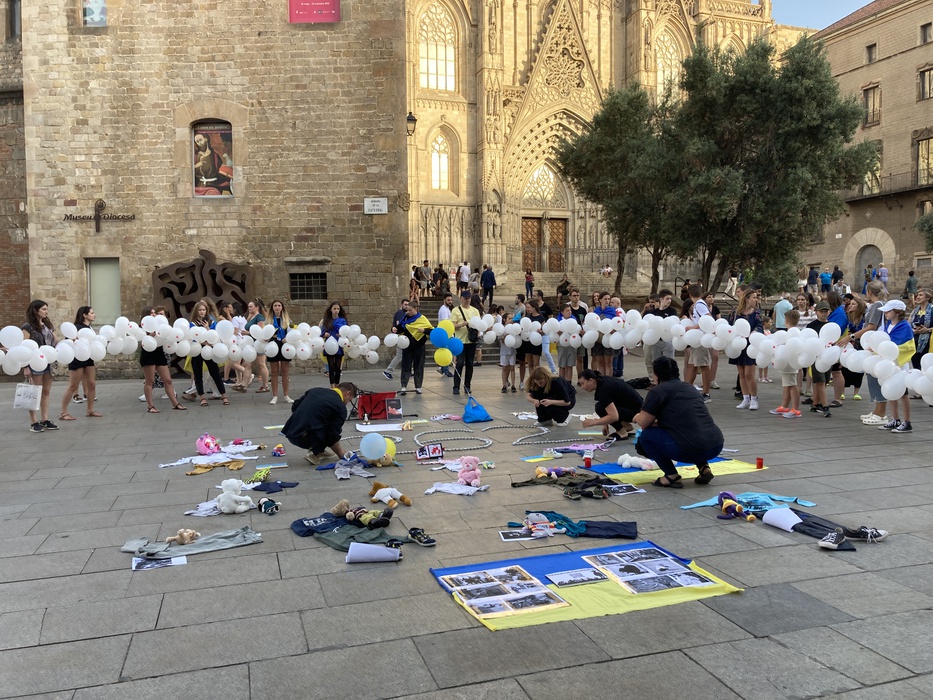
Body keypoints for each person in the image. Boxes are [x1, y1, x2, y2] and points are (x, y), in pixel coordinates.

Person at [633, 357, 724, 488]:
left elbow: (643, 422)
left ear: (656, 374)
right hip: (716, 445)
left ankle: (671, 476)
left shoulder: (658, 391)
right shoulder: (690, 388)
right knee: (692, 431)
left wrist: (636, 417)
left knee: (646, 437)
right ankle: (704, 467)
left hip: (689, 449)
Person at [283, 382, 358, 465]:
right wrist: (340, 452)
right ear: (347, 394)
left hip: (291, 432)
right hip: (305, 437)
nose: (347, 403)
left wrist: (300, 420)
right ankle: (315, 452)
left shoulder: (315, 390)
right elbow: (333, 434)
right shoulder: (340, 407)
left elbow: (295, 405)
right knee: (329, 427)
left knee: (321, 420)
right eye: (349, 400)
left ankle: (320, 451)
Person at [138, 306, 186, 414]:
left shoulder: (159, 324)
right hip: (148, 354)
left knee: (168, 380)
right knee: (150, 381)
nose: (154, 315)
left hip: (159, 353)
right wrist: (152, 334)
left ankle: (175, 403)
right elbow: (142, 342)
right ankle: (150, 406)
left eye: (154, 313)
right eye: (151, 313)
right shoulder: (142, 326)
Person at [21, 300, 58, 432]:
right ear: (35, 310)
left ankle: (45, 419)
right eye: (43, 309)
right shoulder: (28, 327)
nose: (46, 312)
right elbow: (24, 346)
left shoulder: (47, 325)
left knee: (46, 391)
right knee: (34, 392)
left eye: (47, 309)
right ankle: (34, 422)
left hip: (48, 361)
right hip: (35, 362)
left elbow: (55, 340)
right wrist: (25, 367)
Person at [878, 299, 915, 433]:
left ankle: (907, 422)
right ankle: (895, 419)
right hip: (889, 363)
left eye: (888, 311)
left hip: (900, 364)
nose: (885, 313)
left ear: (898, 312)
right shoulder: (888, 325)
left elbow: (908, 346)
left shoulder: (905, 326)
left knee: (903, 393)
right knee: (890, 391)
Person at [59, 306, 101, 422]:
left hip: (89, 358)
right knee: (73, 386)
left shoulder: (90, 328)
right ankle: (63, 412)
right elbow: (68, 341)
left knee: (91, 384)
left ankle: (90, 410)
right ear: (84, 315)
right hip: (77, 358)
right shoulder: (76, 327)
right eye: (92, 313)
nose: (94, 315)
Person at [579, 369, 643, 443]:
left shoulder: (603, 390)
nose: (582, 387)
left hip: (636, 413)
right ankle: (625, 426)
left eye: (583, 383)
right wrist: (605, 423)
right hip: (636, 407)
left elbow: (613, 416)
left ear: (591, 380)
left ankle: (622, 432)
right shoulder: (602, 381)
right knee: (601, 406)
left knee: (599, 408)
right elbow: (609, 404)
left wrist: (593, 422)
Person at [187, 300, 229, 408]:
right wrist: (203, 342)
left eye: (204, 310)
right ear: (196, 311)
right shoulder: (193, 324)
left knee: (215, 372)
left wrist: (207, 328)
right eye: (200, 310)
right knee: (198, 374)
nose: (202, 312)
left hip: (209, 349)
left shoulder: (211, 321)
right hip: (197, 349)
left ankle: (224, 395)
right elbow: (193, 337)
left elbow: (215, 335)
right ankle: (202, 397)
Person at [730, 288, 763, 410]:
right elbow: (730, 326)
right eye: (753, 297)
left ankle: (754, 398)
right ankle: (745, 398)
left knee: (749, 374)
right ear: (747, 299)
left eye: (756, 297)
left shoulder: (756, 312)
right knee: (741, 374)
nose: (756, 299)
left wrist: (755, 332)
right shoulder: (735, 312)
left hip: (751, 345)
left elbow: (759, 326)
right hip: (739, 344)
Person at [769, 309, 802, 419]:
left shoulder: (791, 333)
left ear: (786, 321)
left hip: (789, 363)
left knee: (792, 385)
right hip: (789, 363)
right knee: (787, 385)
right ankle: (784, 406)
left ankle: (796, 409)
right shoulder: (795, 332)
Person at [397, 299, 433, 395]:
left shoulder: (422, 319)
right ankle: (403, 386)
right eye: (407, 310)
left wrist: (424, 330)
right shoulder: (405, 319)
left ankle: (418, 386)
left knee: (418, 366)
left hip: (419, 346)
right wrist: (395, 329)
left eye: (410, 310)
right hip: (407, 345)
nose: (408, 312)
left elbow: (431, 331)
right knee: (406, 366)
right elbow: (400, 328)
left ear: (415, 309)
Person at [684, 284, 713, 401]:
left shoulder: (699, 304)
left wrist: (693, 327)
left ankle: (706, 393)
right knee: (692, 365)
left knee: (704, 365)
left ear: (690, 295)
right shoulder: (699, 304)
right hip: (697, 339)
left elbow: (708, 318)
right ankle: (687, 390)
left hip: (701, 338)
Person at [645, 289, 677, 385]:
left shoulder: (672, 311)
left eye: (670, 299)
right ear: (661, 299)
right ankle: (657, 383)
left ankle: (670, 383)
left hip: (667, 341)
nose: (669, 301)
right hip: (655, 341)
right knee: (657, 364)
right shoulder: (654, 312)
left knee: (669, 363)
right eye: (667, 298)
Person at [451, 290, 480, 395]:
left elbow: (479, 324)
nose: (467, 300)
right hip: (460, 342)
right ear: (461, 298)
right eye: (466, 298)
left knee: (470, 364)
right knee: (459, 364)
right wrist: (461, 324)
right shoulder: (456, 310)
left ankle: (467, 385)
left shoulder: (475, 311)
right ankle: (456, 386)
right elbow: (452, 325)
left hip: (471, 341)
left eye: (469, 298)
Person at [267, 299, 294, 404]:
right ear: (272, 308)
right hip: (273, 345)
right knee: (274, 372)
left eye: (279, 305)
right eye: (275, 305)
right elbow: (265, 333)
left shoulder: (287, 320)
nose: (277, 307)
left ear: (282, 307)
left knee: (285, 371)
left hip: (284, 344)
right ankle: (275, 396)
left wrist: (287, 338)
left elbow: (292, 332)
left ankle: (286, 395)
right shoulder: (268, 320)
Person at [321, 300, 348, 389]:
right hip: (330, 345)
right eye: (334, 308)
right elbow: (321, 332)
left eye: (338, 309)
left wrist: (343, 335)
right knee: (331, 367)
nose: (336, 310)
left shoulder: (342, 320)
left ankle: (337, 385)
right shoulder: (327, 320)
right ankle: (332, 386)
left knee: (338, 367)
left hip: (339, 344)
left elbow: (347, 331)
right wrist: (324, 334)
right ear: (331, 309)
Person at [245, 299, 270, 393]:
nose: (249, 308)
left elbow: (260, 330)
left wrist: (247, 333)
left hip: (259, 344)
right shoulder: (251, 317)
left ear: (257, 307)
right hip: (251, 344)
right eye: (248, 307)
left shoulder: (259, 317)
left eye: (251, 306)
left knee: (261, 364)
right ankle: (243, 384)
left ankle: (265, 385)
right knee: (247, 364)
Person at [383, 299, 409, 380]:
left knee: (405, 355)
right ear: (402, 304)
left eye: (408, 304)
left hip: (402, 337)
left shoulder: (403, 313)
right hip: (400, 337)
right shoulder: (400, 313)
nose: (406, 306)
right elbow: (399, 325)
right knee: (399, 356)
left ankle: (408, 371)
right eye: (405, 304)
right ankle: (388, 371)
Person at [910, 288, 933, 369]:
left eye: (920, 295)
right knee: (916, 365)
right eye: (917, 295)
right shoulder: (914, 311)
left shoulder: (932, 309)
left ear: (928, 297)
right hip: (914, 342)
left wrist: (928, 330)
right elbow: (908, 325)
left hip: (928, 343)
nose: (917, 297)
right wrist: (914, 331)